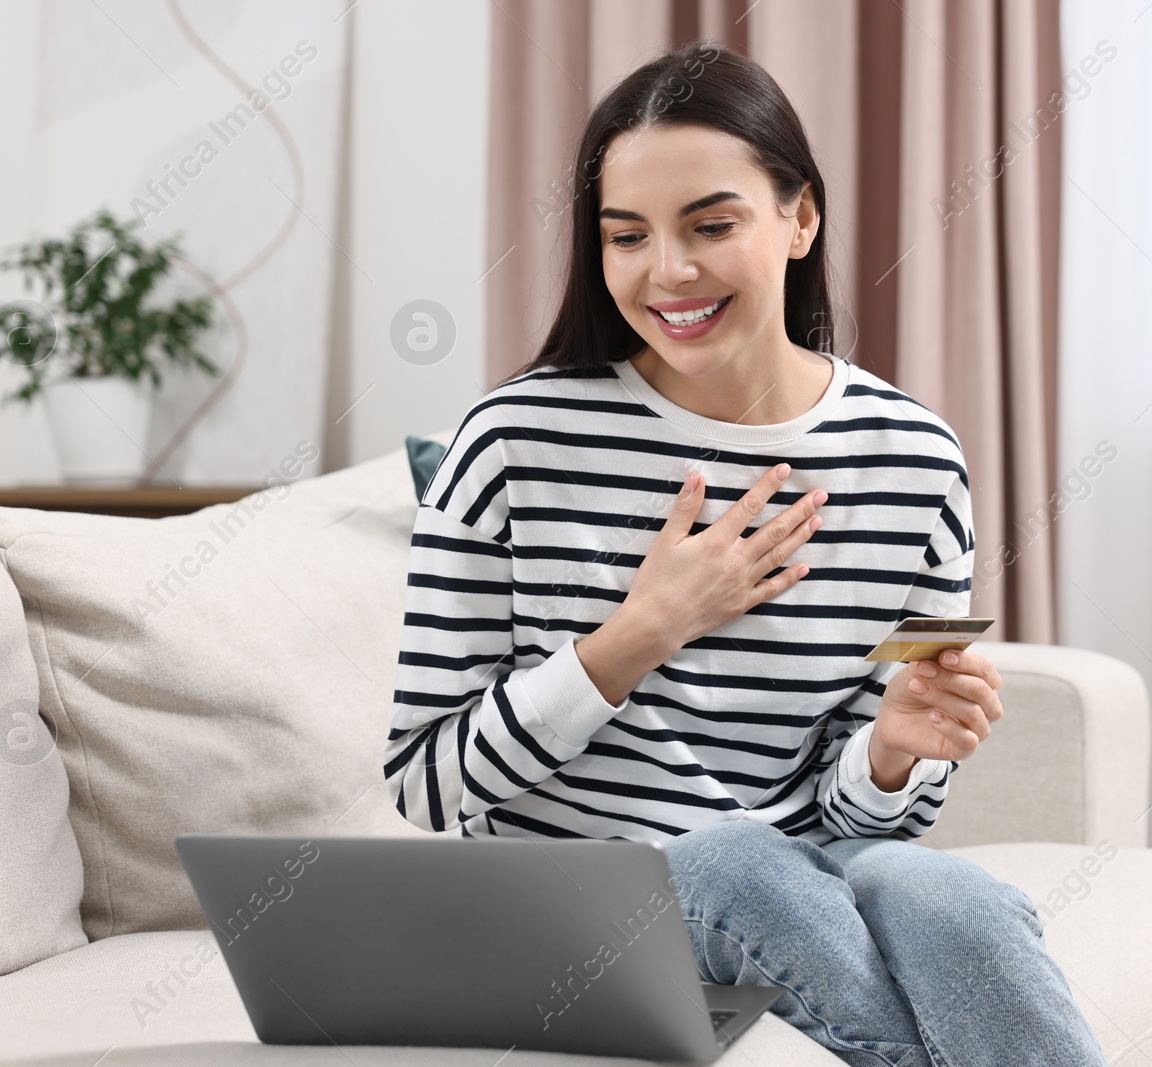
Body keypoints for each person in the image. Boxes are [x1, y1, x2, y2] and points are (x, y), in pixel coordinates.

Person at [383, 41, 1108, 1067]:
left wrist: (893, 747)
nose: (666, 271)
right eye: (624, 235)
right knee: (732, 858)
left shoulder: (916, 460)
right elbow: (427, 781)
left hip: (796, 880)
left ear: (799, 217)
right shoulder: (510, 442)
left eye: (710, 225)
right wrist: (637, 634)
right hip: (579, 906)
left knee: (943, 889)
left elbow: (876, 821)